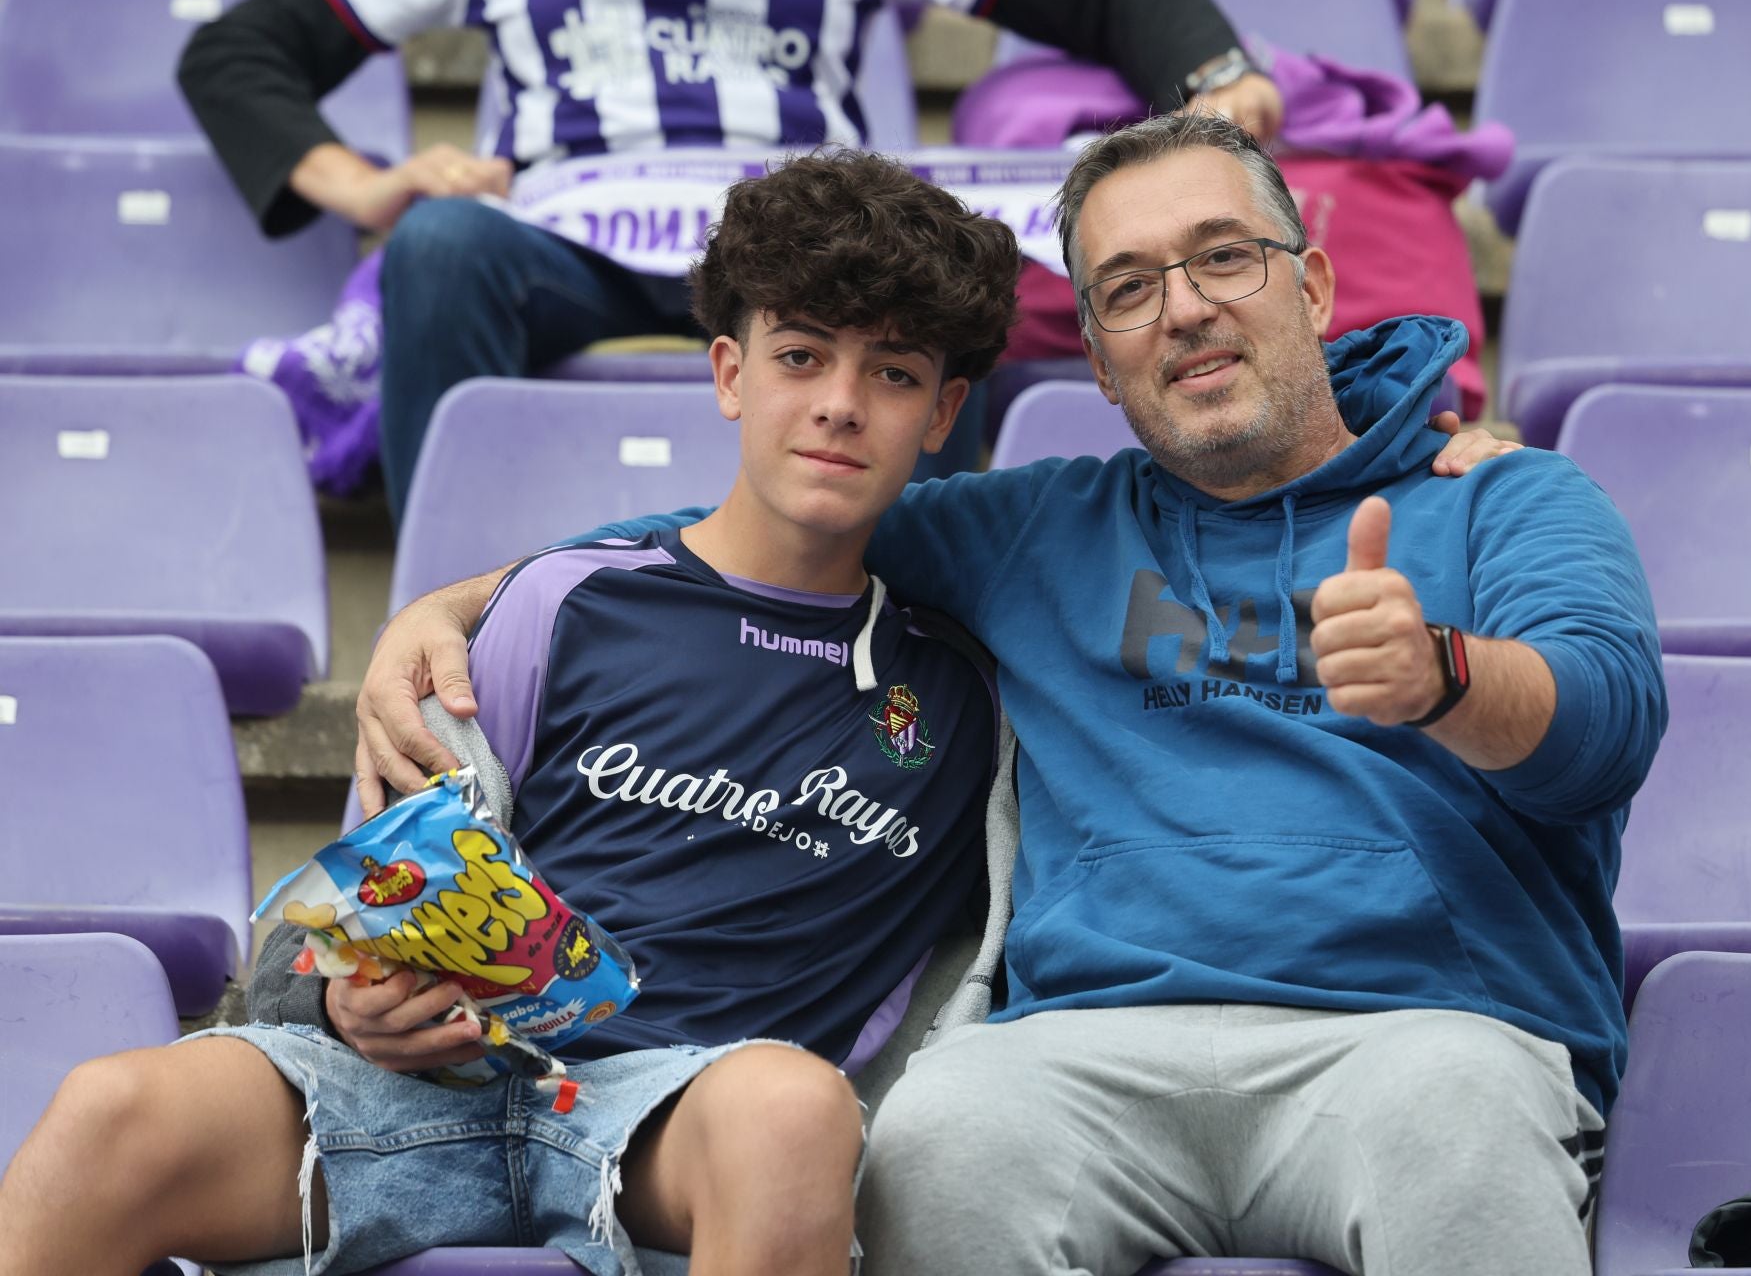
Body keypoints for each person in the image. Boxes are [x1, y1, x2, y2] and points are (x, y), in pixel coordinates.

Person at [345, 112, 1666, 1275]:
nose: (1187, 307)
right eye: (1130, 288)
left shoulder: (1506, 499)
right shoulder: (1033, 528)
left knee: (1459, 1130)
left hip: (1428, 1035)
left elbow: (1603, 731)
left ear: (1312, 284)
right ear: (1096, 361)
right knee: (941, 1138)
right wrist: (448, 606)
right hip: (1088, 1053)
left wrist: (1443, 677)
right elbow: (744, 534)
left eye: (1222, 258)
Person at [0, 150, 1020, 1276]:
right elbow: (340, 904)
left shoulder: (970, 700)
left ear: (944, 412)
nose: (838, 401)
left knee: (790, 1107)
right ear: (730, 372)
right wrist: (346, 1005)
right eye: (800, 355)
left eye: (891, 373)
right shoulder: (565, 599)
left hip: (673, 1122)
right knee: (105, 1110)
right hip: (426, 1084)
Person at [178, 0, 1284, 519]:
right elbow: (238, 48)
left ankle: (917, 616)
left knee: (945, 263)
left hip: (804, 242)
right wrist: (367, 185)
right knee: (439, 242)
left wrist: (1213, 72)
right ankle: (454, 584)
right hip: (570, 234)